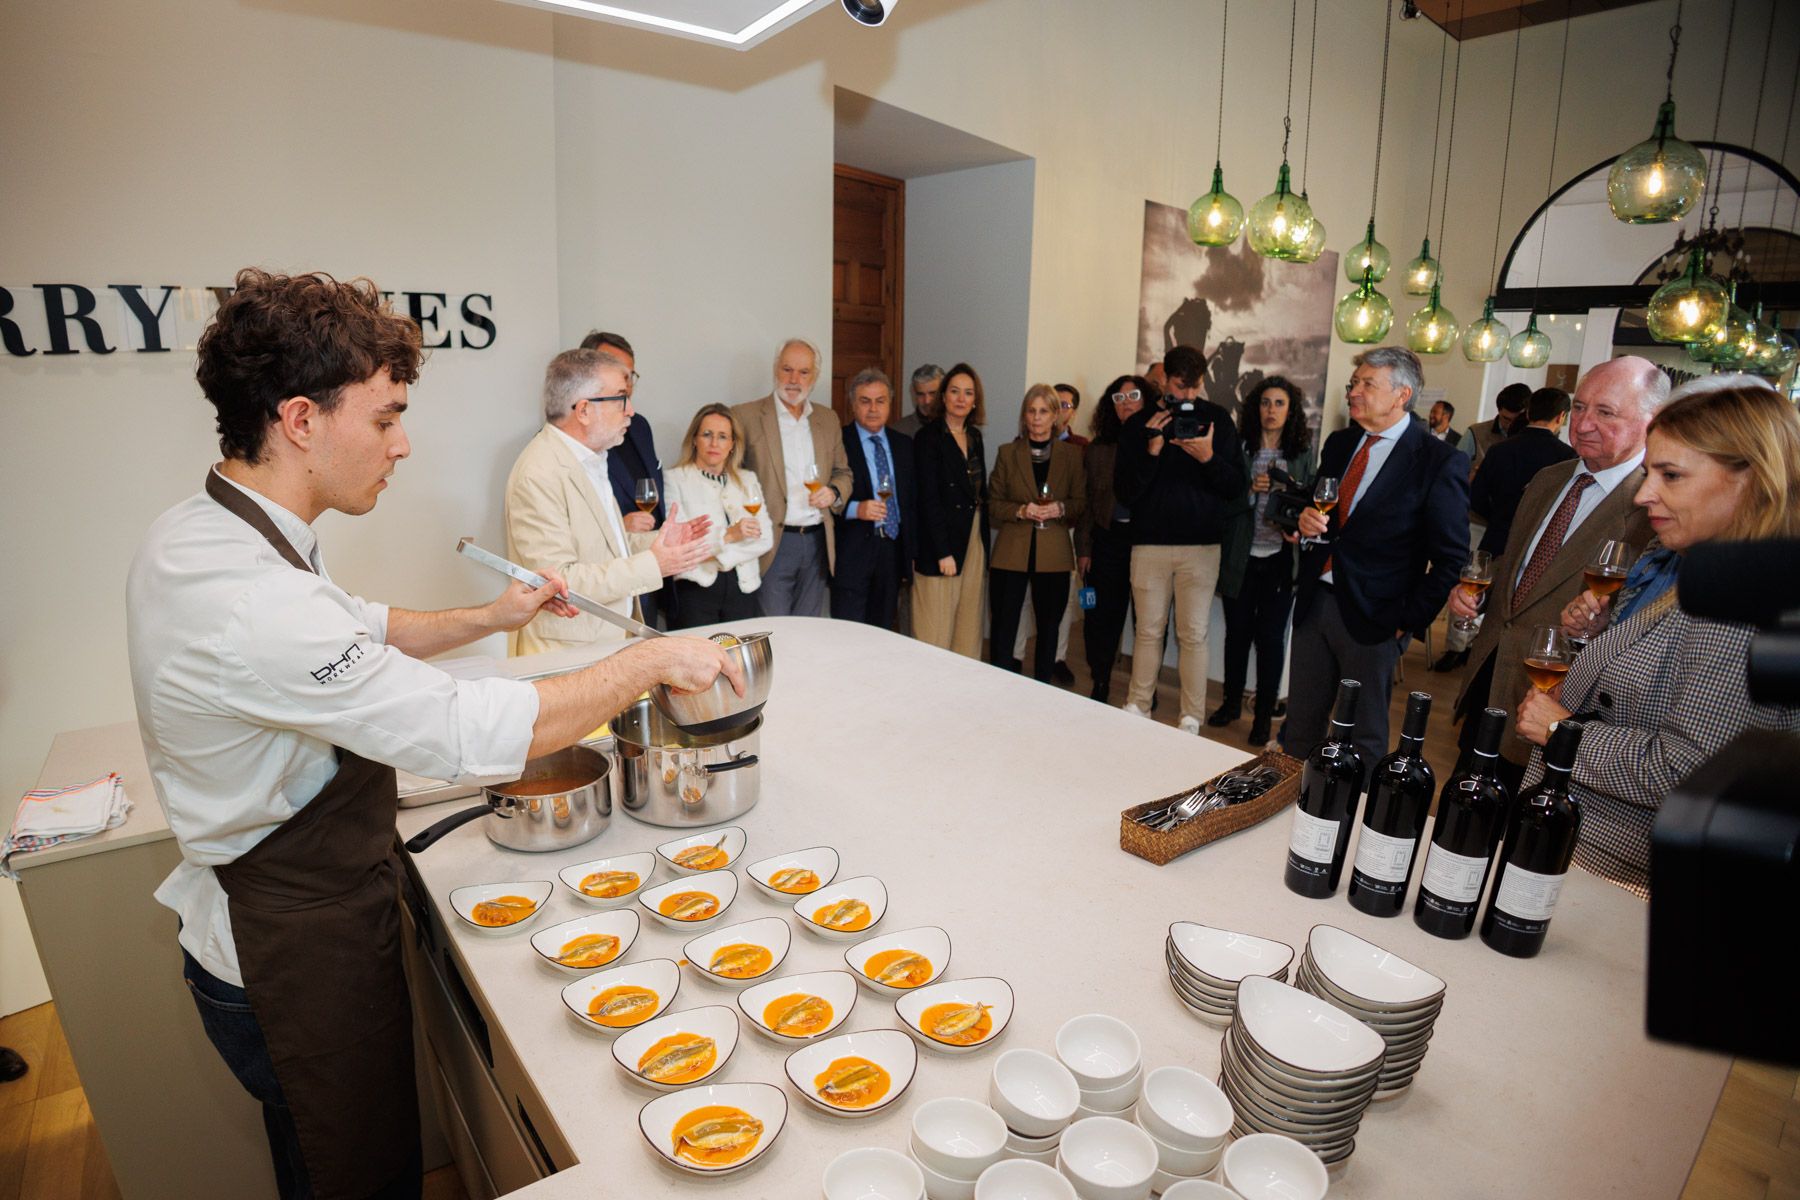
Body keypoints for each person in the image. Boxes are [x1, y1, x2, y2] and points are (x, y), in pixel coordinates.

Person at [124, 269, 739, 1200]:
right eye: (384, 419)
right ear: (300, 419)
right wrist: (648, 663)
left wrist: (489, 618)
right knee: (356, 1174)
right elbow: (460, 731)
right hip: (287, 949)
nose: (402, 444)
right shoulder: (250, 600)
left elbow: (361, 623)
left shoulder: (208, 529)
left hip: (289, 914)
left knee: (318, 1162)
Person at [1516, 377, 1800, 899]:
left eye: (1671, 475)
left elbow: (1691, 772)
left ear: (1752, 481)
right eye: (1649, 473)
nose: (1646, 495)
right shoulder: (1709, 570)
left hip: (1617, 877)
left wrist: (1564, 733)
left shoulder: (1741, 605)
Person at [1448, 357, 1663, 787]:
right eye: (1580, 407)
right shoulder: (1549, 478)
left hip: (1558, 702)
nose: (1583, 424)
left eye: (1605, 412)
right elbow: (1518, 569)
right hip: (1489, 678)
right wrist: (1476, 594)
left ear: (1650, 420)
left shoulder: (1653, 506)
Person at [1285, 346, 1469, 770]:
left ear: (1402, 394)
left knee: (1362, 736)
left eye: (1368, 384)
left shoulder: (1438, 461)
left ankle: (1353, 826)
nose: (1354, 392)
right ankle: (1290, 813)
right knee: (1300, 727)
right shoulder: (1340, 442)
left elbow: (1451, 557)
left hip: (1376, 617)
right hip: (1315, 602)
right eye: (1355, 383)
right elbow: (1325, 508)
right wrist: (1307, 518)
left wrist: (1405, 620)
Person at [505, 349, 713, 655]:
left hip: (608, 640)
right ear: (585, 410)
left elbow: (604, 547)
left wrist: (658, 543)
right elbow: (560, 581)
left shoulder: (592, 458)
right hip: (566, 652)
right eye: (621, 398)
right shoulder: (539, 473)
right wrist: (654, 564)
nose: (631, 411)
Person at [1114, 344, 1246, 733]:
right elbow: (1125, 492)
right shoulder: (1141, 425)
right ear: (1164, 380)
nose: (1187, 396)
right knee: (1148, 630)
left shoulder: (1218, 420)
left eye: (1194, 387)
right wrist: (1151, 452)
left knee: (1194, 634)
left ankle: (1191, 717)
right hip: (1149, 544)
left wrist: (1207, 457)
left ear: (1202, 382)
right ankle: (1138, 705)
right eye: (1178, 385)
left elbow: (1236, 486)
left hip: (1202, 546)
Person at [1210, 376, 1316, 748]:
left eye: (1279, 403)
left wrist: (1286, 499)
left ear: (1291, 411)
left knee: (1271, 640)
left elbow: (1310, 504)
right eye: (1265, 403)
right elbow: (1223, 502)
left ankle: (1263, 717)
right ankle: (1230, 704)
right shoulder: (1241, 448)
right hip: (1241, 557)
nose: (1271, 410)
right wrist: (1249, 494)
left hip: (1280, 561)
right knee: (1236, 636)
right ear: (1256, 408)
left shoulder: (1302, 452)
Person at [732, 338, 854, 617]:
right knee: (774, 631)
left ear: (815, 377)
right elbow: (731, 479)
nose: (794, 379)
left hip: (817, 542)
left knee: (809, 631)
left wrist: (834, 492)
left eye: (803, 372)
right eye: (787, 369)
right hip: (771, 542)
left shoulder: (828, 419)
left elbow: (843, 473)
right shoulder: (746, 416)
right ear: (776, 370)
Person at [988, 384, 1087, 681]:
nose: (1036, 417)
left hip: (1054, 553)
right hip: (1011, 552)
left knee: (1049, 625)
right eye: (1031, 411)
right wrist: (1021, 511)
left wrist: (1059, 509)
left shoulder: (1071, 456)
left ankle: (1042, 687)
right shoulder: (1007, 453)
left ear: (1056, 415)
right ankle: (998, 683)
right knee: (1004, 626)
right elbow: (994, 503)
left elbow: (1080, 502)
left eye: (1044, 411)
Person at [577, 330, 670, 627]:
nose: (626, 384)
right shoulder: (573, 444)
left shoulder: (639, 426)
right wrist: (621, 525)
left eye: (630, 375)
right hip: (604, 587)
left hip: (649, 571)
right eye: (617, 372)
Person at [661, 404, 773, 627]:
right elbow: (681, 542)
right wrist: (729, 535)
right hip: (695, 590)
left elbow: (765, 538)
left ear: (732, 444)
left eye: (723, 437)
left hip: (744, 587)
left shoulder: (748, 479)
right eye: (707, 435)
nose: (714, 443)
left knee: (737, 659)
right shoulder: (673, 479)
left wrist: (721, 558)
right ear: (694, 439)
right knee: (696, 659)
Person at [1076, 374, 1152, 703]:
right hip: (1104, 542)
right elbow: (1086, 503)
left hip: (1146, 544)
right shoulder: (1097, 449)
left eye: (1133, 395)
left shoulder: (1158, 443)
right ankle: (1100, 678)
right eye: (1118, 399)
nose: (1126, 403)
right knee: (1095, 612)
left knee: (1149, 619)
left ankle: (1146, 688)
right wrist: (1084, 549)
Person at [912, 362, 990, 657]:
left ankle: (963, 695)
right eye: (955, 391)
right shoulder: (928, 438)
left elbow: (979, 492)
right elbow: (927, 498)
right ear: (942, 397)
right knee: (935, 630)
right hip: (940, 543)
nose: (961, 398)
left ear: (975, 400)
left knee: (968, 625)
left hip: (974, 536)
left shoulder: (976, 437)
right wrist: (943, 551)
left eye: (968, 393)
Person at [832, 367, 918, 629]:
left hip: (892, 551)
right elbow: (826, 492)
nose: (873, 408)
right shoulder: (839, 442)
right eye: (865, 401)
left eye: (880, 401)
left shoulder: (904, 444)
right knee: (848, 631)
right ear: (852, 404)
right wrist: (856, 509)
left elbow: (912, 503)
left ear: (890, 404)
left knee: (883, 630)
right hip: (852, 551)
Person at [1469, 386, 1576, 557]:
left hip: (1496, 539)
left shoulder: (1498, 450)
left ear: (1527, 414)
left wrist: (1500, 517)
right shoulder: (1567, 456)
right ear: (1561, 417)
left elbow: (1476, 497)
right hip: (1537, 544)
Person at [1460, 382, 1528, 477]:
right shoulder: (1476, 433)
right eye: (1506, 419)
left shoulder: (1531, 438)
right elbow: (1455, 468)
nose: (1510, 425)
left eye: (1517, 420)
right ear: (1498, 411)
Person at [892, 363, 944, 437]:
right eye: (921, 394)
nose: (927, 401)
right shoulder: (899, 431)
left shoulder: (958, 428)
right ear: (914, 394)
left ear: (944, 393)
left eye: (933, 393)